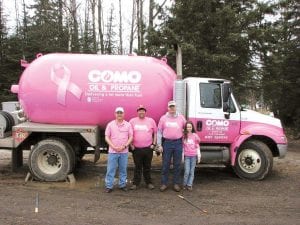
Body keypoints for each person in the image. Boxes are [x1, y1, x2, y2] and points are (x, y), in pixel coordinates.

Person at [157, 100, 186, 192]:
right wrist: (159, 145)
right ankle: (164, 183)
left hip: (178, 143)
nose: (172, 108)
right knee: (166, 164)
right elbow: (159, 132)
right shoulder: (163, 118)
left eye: (173, 107)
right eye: (170, 107)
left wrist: (185, 143)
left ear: (175, 107)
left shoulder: (181, 118)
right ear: (168, 108)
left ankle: (176, 184)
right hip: (167, 143)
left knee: (177, 164)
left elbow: (186, 130)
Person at [104, 107, 133, 193]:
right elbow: (106, 137)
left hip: (124, 151)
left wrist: (125, 146)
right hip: (113, 151)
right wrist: (113, 146)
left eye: (121, 113)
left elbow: (131, 137)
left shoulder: (128, 125)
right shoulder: (110, 124)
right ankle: (109, 186)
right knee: (110, 169)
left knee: (123, 169)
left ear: (124, 114)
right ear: (115, 114)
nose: (119, 114)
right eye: (118, 113)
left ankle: (122, 185)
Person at [129, 105, 157, 190]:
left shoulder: (151, 121)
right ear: (137, 112)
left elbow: (155, 133)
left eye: (143, 110)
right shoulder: (132, 121)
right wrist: (131, 145)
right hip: (136, 149)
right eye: (140, 111)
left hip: (148, 148)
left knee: (147, 166)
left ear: (145, 112)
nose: (141, 112)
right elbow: (129, 134)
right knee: (137, 167)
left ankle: (148, 183)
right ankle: (135, 183)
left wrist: (154, 144)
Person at [182, 121, 201, 191]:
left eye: (190, 127)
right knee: (187, 171)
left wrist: (198, 156)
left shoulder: (195, 135)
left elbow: (198, 144)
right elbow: (183, 147)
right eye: (187, 127)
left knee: (191, 171)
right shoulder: (184, 136)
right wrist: (182, 156)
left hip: (193, 156)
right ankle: (184, 184)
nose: (189, 128)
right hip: (187, 156)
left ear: (192, 127)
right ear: (185, 128)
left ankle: (189, 185)